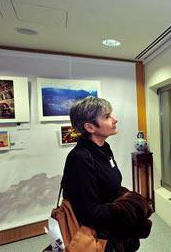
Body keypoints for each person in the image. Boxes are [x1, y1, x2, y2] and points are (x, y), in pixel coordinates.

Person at [61, 96, 151, 252]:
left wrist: (129, 198)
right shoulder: (80, 158)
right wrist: (130, 207)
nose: (114, 120)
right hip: (100, 238)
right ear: (90, 127)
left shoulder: (104, 148)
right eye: (107, 117)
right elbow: (91, 212)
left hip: (114, 232)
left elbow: (110, 185)